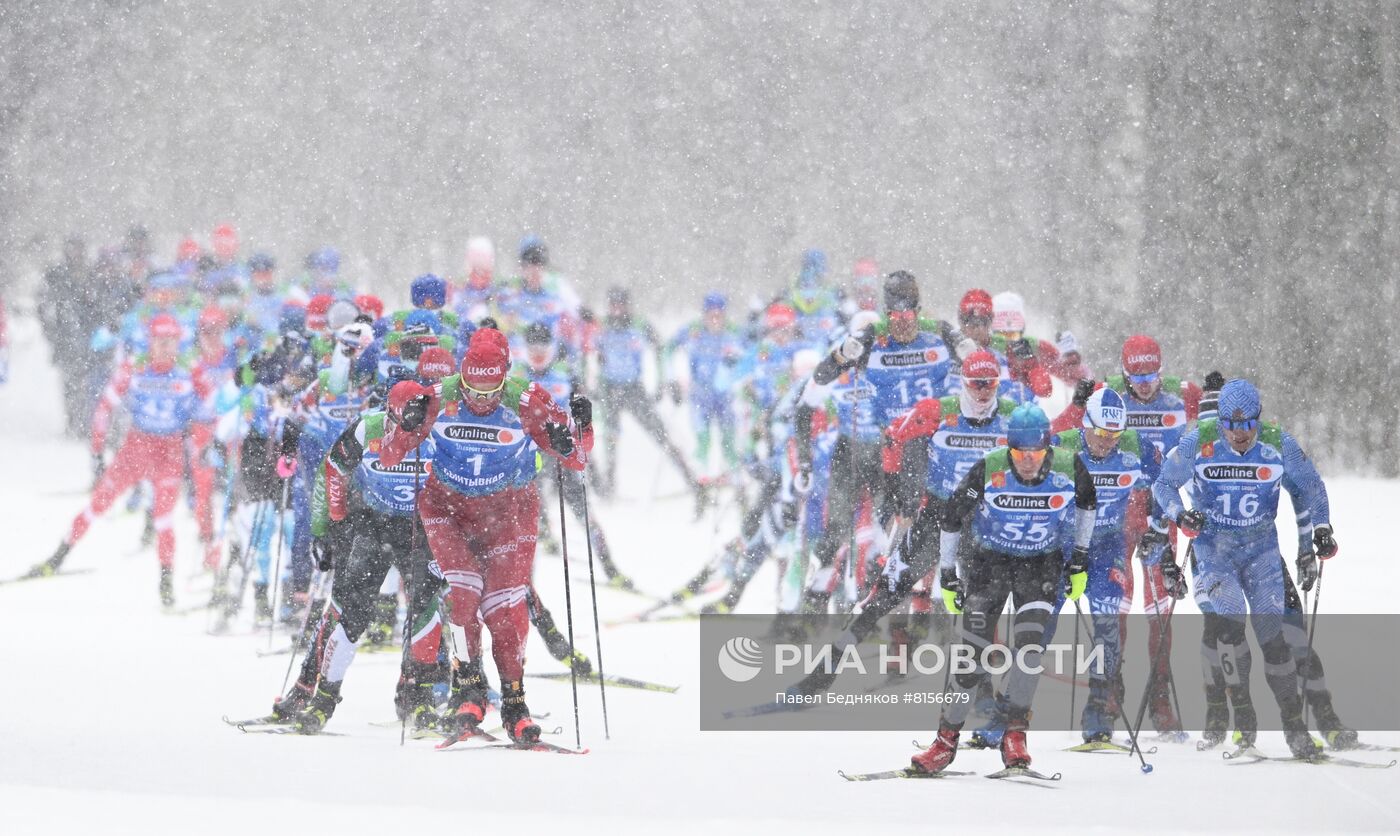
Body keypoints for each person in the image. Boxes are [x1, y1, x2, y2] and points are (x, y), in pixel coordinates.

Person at [376, 327, 592, 743]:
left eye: (491, 390)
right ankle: (468, 687)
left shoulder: (528, 400)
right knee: (462, 591)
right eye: (473, 388)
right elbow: (390, 453)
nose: (480, 400)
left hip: (505, 512)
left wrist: (577, 430)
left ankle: (515, 703)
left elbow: (576, 460)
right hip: (446, 508)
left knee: (503, 610)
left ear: (505, 376)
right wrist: (406, 425)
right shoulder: (437, 396)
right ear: (462, 376)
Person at [1148, 378, 1336, 759]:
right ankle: (1243, 717)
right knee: (1230, 617)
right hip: (1214, 551)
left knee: (1274, 636)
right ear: (1220, 421)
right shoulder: (1198, 441)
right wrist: (1181, 515)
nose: (1239, 434)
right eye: (1231, 426)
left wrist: (1321, 530)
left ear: (1258, 419)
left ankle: (1294, 727)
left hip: (1261, 550)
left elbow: (1312, 487)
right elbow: (1163, 485)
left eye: (1247, 424)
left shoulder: (1276, 442)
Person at [910, 403, 1096, 774]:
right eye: (1019, 452)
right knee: (971, 656)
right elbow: (951, 518)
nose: (1027, 461)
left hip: (1040, 565)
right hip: (990, 564)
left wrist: (1079, 557)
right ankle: (945, 742)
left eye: (1036, 452)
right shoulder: (989, 466)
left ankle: (1014, 736)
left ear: (1048, 448)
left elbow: (1088, 504)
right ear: (1008, 448)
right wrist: (948, 573)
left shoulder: (1068, 464)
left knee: (1029, 649)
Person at [270, 355, 452, 733]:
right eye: (398, 420)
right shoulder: (366, 426)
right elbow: (331, 472)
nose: (404, 429)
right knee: (347, 609)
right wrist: (327, 527)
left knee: (425, 605)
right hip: (373, 522)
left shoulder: (436, 431)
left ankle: (415, 696)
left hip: (419, 528)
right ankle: (312, 690)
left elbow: (457, 481)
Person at [29, 314, 212, 605]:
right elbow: (104, 406)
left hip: (170, 451)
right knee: (98, 504)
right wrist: (98, 451)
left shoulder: (189, 368)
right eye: (161, 341)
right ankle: (57, 558)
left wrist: (203, 442)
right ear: (150, 341)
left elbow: (213, 405)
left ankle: (166, 582)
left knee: (164, 517)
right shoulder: (135, 366)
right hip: (137, 447)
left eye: (172, 342)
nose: (167, 348)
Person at [593, 286, 700, 502]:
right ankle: (609, 488)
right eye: (613, 305)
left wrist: (661, 384)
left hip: (634, 388)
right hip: (609, 389)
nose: (617, 310)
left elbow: (660, 349)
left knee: (660, 434)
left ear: (628, 306)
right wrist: (591, 380)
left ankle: (690, 478)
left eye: (621, 305)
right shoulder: (601, 326)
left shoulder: (639, 325)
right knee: (610, 440)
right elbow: (585, 349)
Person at [665, 292, 745, 478]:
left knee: (729, 442)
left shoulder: (734, 332)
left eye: (719, 314)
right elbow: (669, 349)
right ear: (705, 314)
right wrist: (672, 379)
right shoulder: (694, 331)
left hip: (725, 397)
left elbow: (750, 355)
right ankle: (702, 479)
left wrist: (740, 375)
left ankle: (735, 479)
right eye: (711, 314)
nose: (715, 319)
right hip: (700, 396)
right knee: (703, 441)